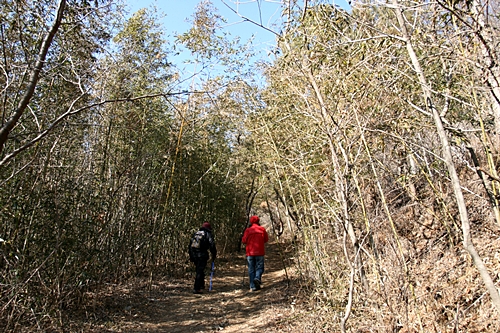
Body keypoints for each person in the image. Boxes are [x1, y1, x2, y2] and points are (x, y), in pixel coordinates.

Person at [188, 222, 217, 294]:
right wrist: (214, 254)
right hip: (202, 254)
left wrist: (191, 256)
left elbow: (190, 245)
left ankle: (201, 285)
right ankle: (196, 288)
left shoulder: (196, 233)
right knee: (200, 271)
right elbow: (212, 244)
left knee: (199, 269)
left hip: (194, 254)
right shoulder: (207, 234)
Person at [242, 215, 269, 291]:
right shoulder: (262, 229)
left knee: (251, 269)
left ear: (251, 221)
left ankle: (252, 286)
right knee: (260, 268)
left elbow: (244, 241)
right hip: (260, 252)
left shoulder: (248, 230)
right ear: (258, 221)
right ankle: (257, 278)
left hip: (250, 253)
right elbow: (266, 239)